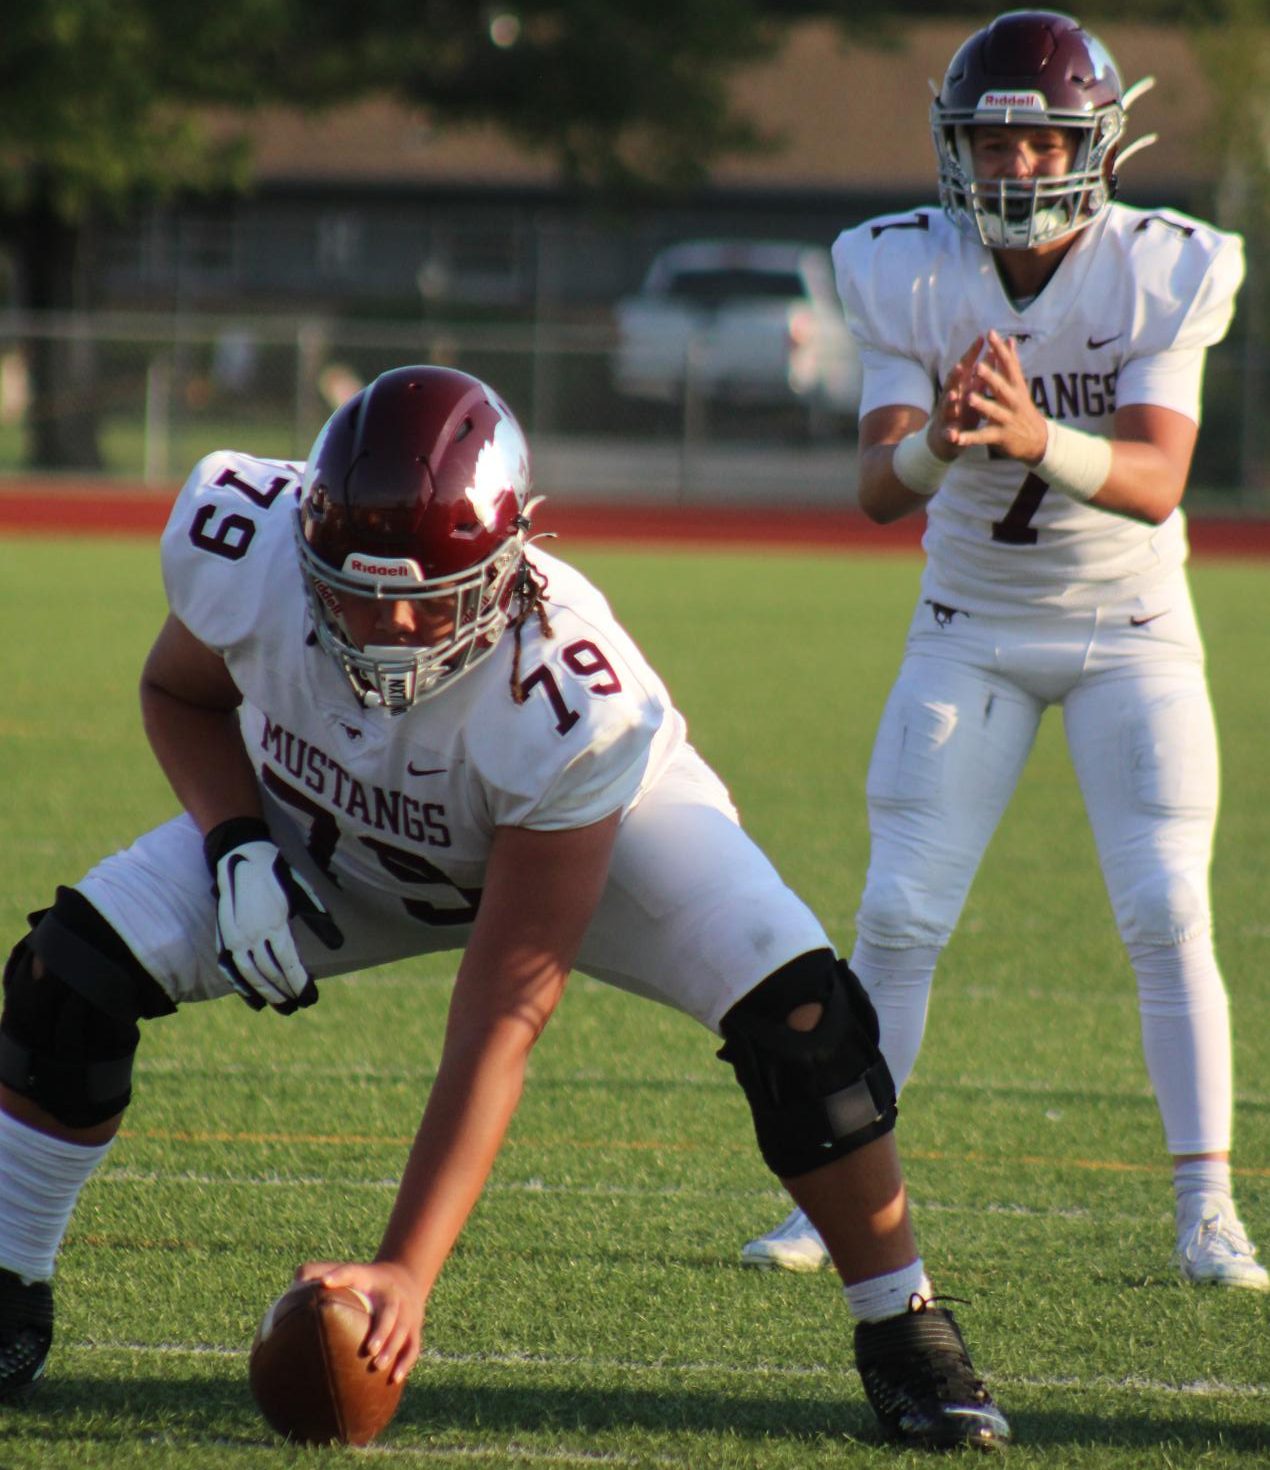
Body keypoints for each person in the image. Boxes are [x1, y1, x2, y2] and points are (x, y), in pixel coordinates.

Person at [0, 366, 1010, 1449]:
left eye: (425, 598)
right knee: (68, 979)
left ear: (513, 555)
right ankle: (10, 1285)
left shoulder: (571, 703)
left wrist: (403, 1270)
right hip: (327, 836)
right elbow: (180, 693)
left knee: (807, 1022)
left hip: (586, 844)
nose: (388, 625)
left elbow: (501, 1017)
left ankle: (905, 1332)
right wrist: (235, 840)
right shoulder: (243, 544)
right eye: (351, 588)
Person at [743, 9, 1267, 1293]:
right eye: (994, 142)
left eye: (1041, 144)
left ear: (1095, 148)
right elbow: (879, 488)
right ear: (956, 148)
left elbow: (1154, 479)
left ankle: (1210, 1209)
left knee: (1166, 908)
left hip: (1129, 630)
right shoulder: (905, 270)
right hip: (968, 629)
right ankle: (834, 1200)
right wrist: (945, 441)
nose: (1017, 167)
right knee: (899, 914)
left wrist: (1036, 440)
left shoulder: (1161, 267)